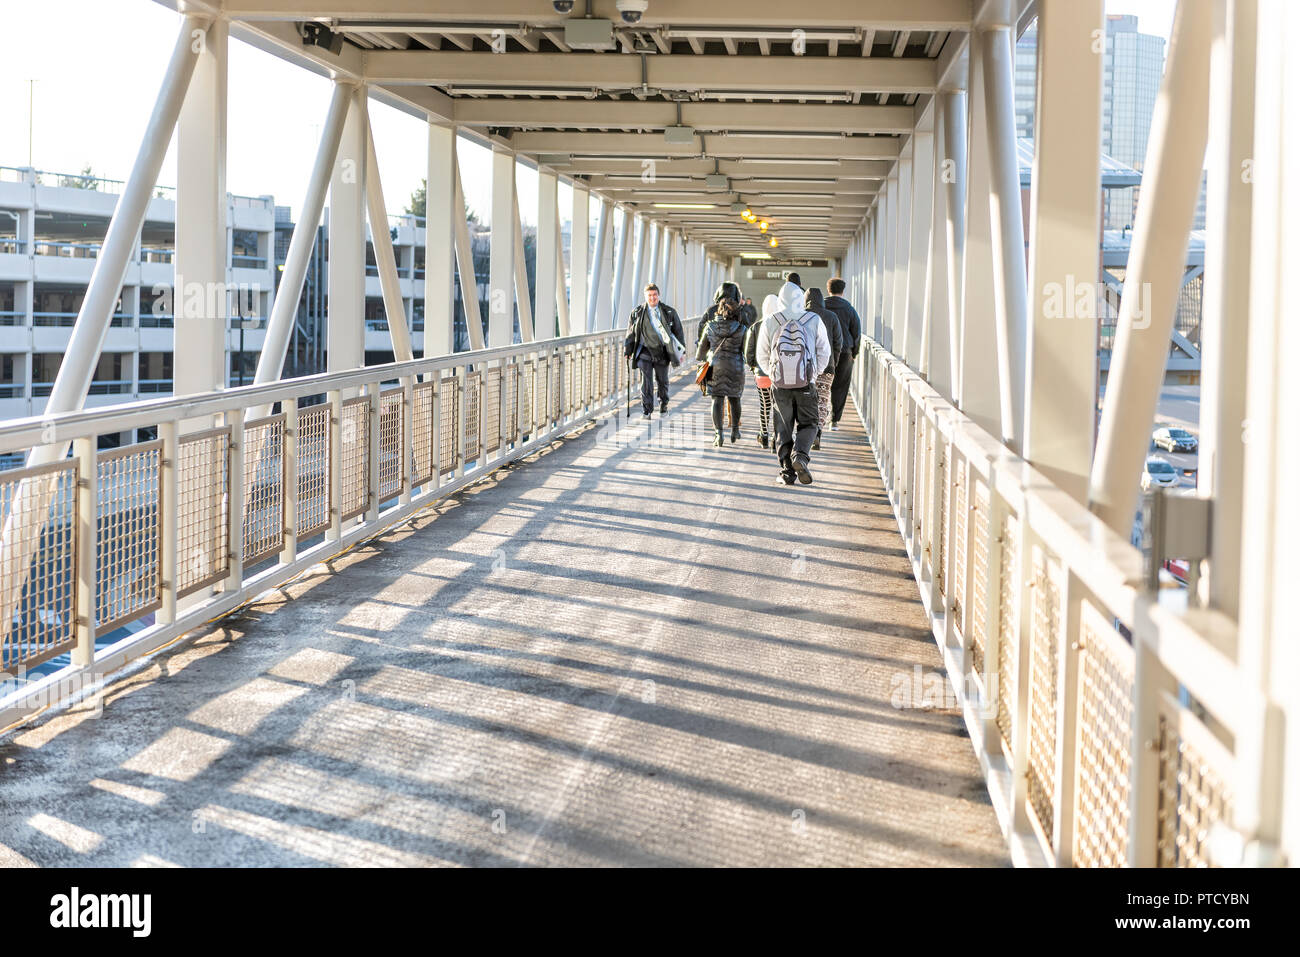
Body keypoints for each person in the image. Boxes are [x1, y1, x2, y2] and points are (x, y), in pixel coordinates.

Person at [756, 281, 831, 485]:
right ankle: (800, 456)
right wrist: (813, 374)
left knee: (783, 427)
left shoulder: (771, 320)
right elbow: (824, 351)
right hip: (806, 382)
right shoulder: (813, 319)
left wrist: (774, 375)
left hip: (780, 385)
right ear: (801, 299)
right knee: (809, 423)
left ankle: (787, 472)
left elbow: (761, 354)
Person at [623, 282, 684, 419]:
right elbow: (630, 332)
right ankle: (647, 409)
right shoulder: (637, 313)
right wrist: (628, 350)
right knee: (646, 381)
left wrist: (681, 352)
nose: (652, 298)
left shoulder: (669, 312)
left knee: (662, 380)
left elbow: (678, 332)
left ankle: (663, 405)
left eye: (654, 295)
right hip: (644, 351)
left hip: (662, 351)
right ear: (645, 297)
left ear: (659, 295)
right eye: (649, 295)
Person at [696, 296, 748, 447]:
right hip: (735, 367)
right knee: (735, 399)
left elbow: (700, 353)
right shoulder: (741, 329)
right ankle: (735, 430)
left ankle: (719, 434)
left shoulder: (710, 326)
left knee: (717, 400)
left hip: (715, 367)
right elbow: (745, 351)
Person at [804, 287, 842, 451]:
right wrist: (834, 363)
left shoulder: (802, 315)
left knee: (806, 401)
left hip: (806, 367)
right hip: (827, 366)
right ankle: (818, 433)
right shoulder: (832, 317)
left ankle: (807, 432)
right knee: (822, 401)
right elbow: (838, 343)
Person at [823, 277, 862, 430]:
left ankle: (821, 414)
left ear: (828, 289)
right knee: (841, 386)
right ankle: (834, 420)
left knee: (823, 384)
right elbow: (856, 333)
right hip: (845, 352)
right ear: (843, 291)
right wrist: (855, 353)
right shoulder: (849, 309)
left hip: (826, 352)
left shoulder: (823, 306)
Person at [745, 294, 781, 449]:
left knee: (764, 404)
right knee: (777, 406)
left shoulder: (755, 326)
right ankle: (775, 438)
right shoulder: (782, 324)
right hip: (779, 374)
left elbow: (749, 353)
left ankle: (764, 435)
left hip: (761, 374)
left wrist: (754, 367)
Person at [697, 281, 743, 346]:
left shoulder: (710, 310)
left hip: (712, 349)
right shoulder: (740, 311)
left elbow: (701, 327)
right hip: (734, 350)